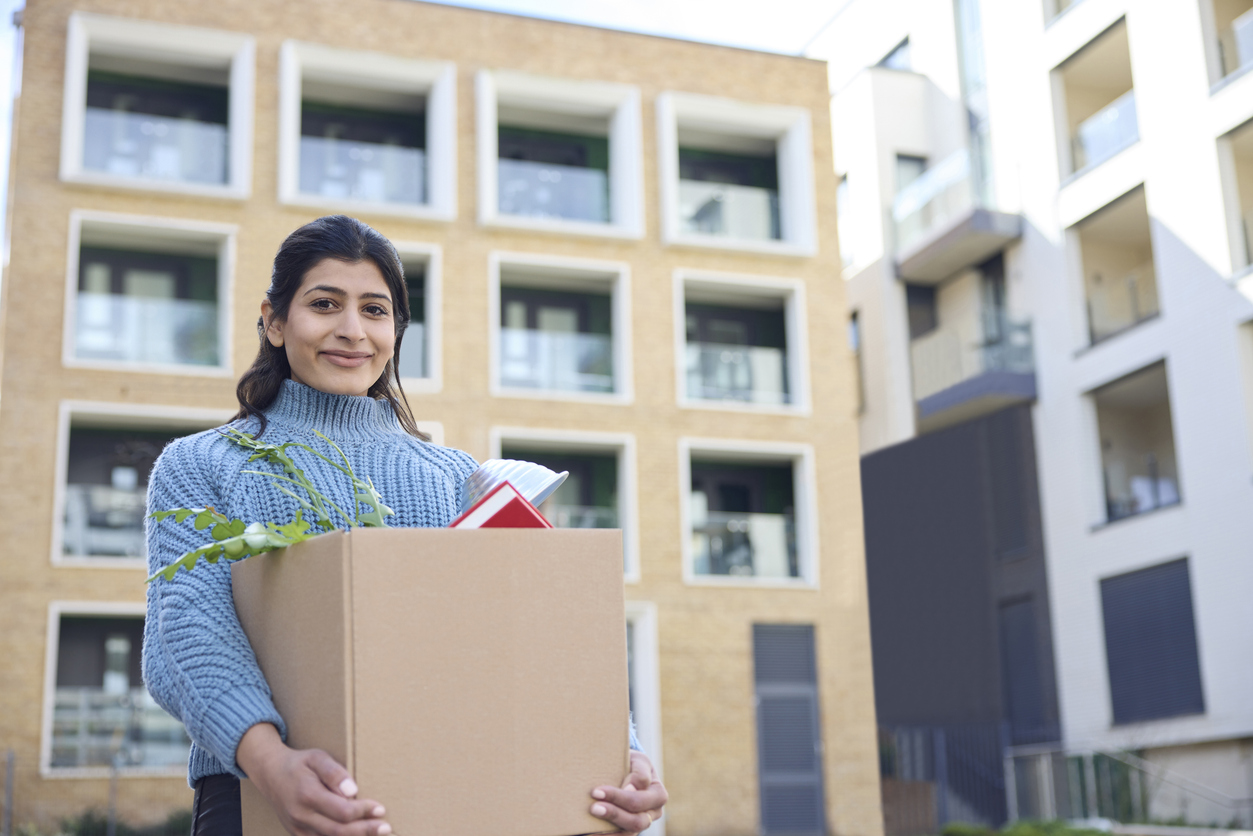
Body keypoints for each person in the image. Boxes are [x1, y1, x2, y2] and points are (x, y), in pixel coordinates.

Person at [142, 215, 667, 836]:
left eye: (374, 309)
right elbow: (185, 630)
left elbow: (535, 634)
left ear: (396, 330)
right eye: (324, 304)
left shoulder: (458, 478)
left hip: (444, 792)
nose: (351, 330)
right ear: (275, 320)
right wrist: (271, 762)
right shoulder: (203, 464)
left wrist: (620, 752)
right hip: (260, 795)